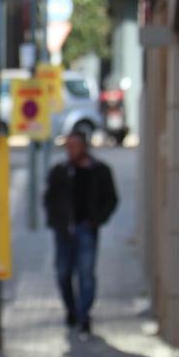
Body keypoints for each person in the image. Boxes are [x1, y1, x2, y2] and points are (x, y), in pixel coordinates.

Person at [43, 130, 118, 336]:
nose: (71, 150)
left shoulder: (100, 171)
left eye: (74, 146)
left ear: (84, 147)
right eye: (68, 146)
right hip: (64, 231)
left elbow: (111, 199)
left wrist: (97, 220)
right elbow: (49, 199)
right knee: (63, 273)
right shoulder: (60, 171)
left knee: (86, 274)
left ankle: (84, 315)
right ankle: (72, 310)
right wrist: (56, 221)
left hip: (86, 229)